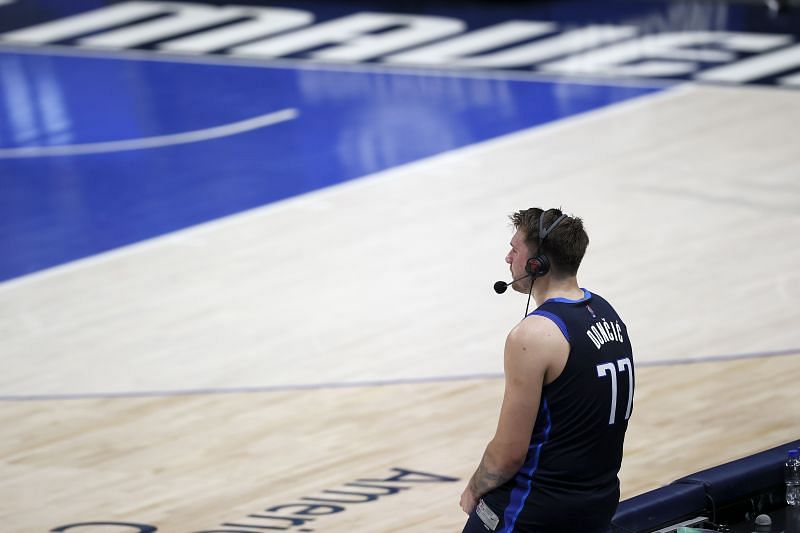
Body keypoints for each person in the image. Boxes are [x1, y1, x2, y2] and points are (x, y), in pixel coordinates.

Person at [460, 207, 635, 533]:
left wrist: (473, 490)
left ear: (537, 262)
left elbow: (508, 454)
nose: (507, 257)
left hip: (537, 509)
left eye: (515, 249)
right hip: (598, 502)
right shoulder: (607, 312)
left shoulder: (532, 336)